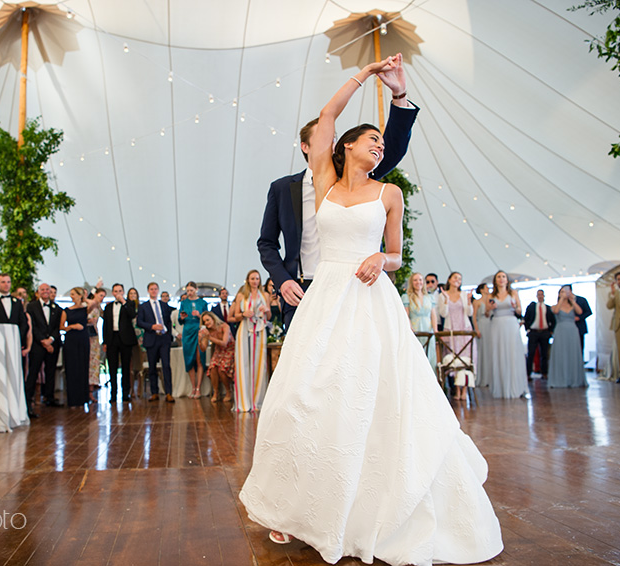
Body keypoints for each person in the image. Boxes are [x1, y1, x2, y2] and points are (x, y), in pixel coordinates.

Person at [239, 58, 502, 565]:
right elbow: (326, 114)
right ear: (342, 147)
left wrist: (382, 257)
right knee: (304, 395)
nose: (379, 146)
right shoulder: (321, 178)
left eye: (382, 144)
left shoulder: (388, 190)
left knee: (370, 397)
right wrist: (363, 73)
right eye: (371, 140)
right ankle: (294, 509)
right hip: (321, 298)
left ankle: (367, 509)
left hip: (369, 299)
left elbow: (399, 253)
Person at [257, 54, 419, 332]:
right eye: (325, 139)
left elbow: (394, 145)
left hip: (362, 288)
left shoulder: (380, 188)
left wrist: (400, 94)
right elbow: (327, 115)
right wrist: (366, 70)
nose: (330, 142)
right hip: (309, 286)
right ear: (310, 147)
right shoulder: (314, 185)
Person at [231, 269, 270, 412]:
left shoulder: (265, 295)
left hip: (260, 329)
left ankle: (257, 400)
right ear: (248, 280)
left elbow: (269, 316)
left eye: (257, 278)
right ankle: (243, 401)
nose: (255, 281)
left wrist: (266, 310)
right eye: (252, 278)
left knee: (260, 363)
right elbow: (235, 316)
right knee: (243, 363)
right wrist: (243, 313)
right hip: (244, 329)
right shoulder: (242, 295)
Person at [485, 270, 528, 399]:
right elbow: (487, 314)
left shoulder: (513, 293)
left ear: (507, 280)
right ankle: (501, 387)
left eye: (503, 276)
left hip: (511, 324)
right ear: (495, 280)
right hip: (497, 325)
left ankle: (516, 386)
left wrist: (515, 307)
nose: (501, 279)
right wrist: (490, 309)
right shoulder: (491, 295)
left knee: (513, 353)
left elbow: (520, 311)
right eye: (499, 277)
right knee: (498, 354)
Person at [25, 283, 64, 416]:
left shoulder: (56, 308)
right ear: (38, 292)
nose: (46, 292)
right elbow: (32, 326)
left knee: (51, 370)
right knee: (34, 371)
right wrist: (43, 341)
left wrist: (51, 340)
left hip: (52, 344)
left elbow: (57, 327)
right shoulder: (31, 306)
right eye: (43, 290)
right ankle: (28, 400)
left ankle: (50, 397)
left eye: (48, 290)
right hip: (37, 344)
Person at [436, 271, 475, 401]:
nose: (457, 280)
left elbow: (469, 313)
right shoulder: (443, 295)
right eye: (455, 277)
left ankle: (464, 391)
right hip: (451, 329)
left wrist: (469, 301)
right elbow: (443, 313)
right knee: (453, 359)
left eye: (460, 278)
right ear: (450, 279)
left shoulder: (464, 294)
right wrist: (446, 300)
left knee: (465, 359)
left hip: (464, 328)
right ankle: (457, 390)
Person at [0, 273, 30, 373]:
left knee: (14, 369)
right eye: (3, 282)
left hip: (14, 342)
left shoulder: (17, 302)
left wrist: (18, 339)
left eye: (8, 282)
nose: (6, 284)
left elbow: (23, 323)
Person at [136, 282, 175, 403]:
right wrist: (151, 326)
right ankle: (154, 392)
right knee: (152, 367)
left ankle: (169, 392)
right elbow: (139, 322)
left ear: (158, 290)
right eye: (151, 289)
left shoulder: (164, 305)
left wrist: (168, 333)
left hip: (164, 338)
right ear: (148, 291)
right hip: (151, 338)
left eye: (155, 289)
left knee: (166, 366)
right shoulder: (143, 306)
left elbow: (169, 320)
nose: (154, 291)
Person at [102, 283, 137, 402]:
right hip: (112, 339)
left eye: (120, 291)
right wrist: (105, 342)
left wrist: (124, 302)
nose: (118, 293)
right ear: (112, 293)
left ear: (123, 292)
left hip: (125, 339)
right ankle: (113, 394)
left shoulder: (129, 304)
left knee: (126, 367)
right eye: (116, 291)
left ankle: (125, 393)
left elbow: (132, 315)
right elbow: (105, 325)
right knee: (112, 367)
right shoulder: (108, 307)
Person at [548, 286, 587, 388]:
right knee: (561, 354)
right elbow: (556, 311)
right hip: (561, 331)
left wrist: (572, 300)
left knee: (573, 353)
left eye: (566, 292)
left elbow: (580, 312)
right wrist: (561, 298)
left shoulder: (572, 306)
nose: (564, 293)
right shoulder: (554, 306)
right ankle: (561, 378)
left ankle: (574, 379)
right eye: (562, 292)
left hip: (572, 331)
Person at [60, 287, 90, 407]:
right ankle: (72, 399)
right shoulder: (66, 311)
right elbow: (61, 327)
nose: (71, 296)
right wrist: (73, 326)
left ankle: (83, 398)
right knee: (72, 368)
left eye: (73, 294)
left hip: (83, 339)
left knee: (83, 366)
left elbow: (94, 303)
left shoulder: (85, 309)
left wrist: (84, 299)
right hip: (71, 339)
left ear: (79, 295)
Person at [402, 272, 437, 370]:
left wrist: (435, 330)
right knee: (417, 355)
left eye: (420, 280)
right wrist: (410, 328)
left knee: (430, 355)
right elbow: (406, 315)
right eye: (415, 280)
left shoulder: (429, 297)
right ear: (412, 282)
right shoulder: (407, 297)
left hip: (428, 328)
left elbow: (433, 315)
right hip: (415, 327)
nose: (418, 282)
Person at [179, 282, 207, 398]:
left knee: (199, 359)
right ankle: (193, 387)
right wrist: (181, 317)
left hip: (199, 331)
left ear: (196, 290)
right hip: (188, 331)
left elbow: (207, 318)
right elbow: (179, 321)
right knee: (189, 359)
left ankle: (199, 388)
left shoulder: (203, 303)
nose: (189, 292)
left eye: (191, 290)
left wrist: (200, 315)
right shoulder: (183, 303)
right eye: (188, 290)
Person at [199, 311, 235, 403]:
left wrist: (209, 337)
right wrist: (200, 340)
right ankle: (216, 392)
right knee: (213, 368)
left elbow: (224, 343)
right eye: (204, 322)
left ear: (213, 319)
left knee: (221, 369)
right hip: (218, 351)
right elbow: (203, 348)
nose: (206, 323)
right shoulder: (208, 332)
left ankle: (228, 391)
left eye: (207, 320)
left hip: (230, 350)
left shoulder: (224, 326)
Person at [523, 289, 554, 380]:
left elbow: (553, 320)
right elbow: (526, 318)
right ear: (537, 296)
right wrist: (527, 329)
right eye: (539, 295)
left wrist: (550, 331)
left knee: (544, 354)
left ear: (544, 296)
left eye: (542, 295)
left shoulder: (548, 308)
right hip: (533, 332)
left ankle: (544, 373)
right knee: (531, 353)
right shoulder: (532, 307)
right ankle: (528, 373)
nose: (540, 296)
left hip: (544, 332)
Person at [86, 287, 107, 402]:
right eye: (100, 295)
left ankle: (91, 390)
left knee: (94, 364)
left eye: (103, 296)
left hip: (95, 337)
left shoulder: (99, 307)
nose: (102, 298)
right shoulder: (90, 304)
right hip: (87, 336)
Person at [126, 287, 145, 397]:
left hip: (141, 337)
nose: (133, 295)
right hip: (130, 336)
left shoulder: (141, 307)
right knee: (131, 366)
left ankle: (140, 389)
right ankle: (131, 389)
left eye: (134, 293)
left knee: (141, 365)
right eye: (131, 293)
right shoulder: (126, 307)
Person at [472, 283, 491, 387]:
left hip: (490, 325)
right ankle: (482, 377)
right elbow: (474, 316)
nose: (488, 289)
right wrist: (476, 329)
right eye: (486, 287)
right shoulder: (477, 301)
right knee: (482, 351)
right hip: (482, 325)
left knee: (490, 350)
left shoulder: (490, 300)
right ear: (482, 290)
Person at [566, 284, 592, 357]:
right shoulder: (565, 302)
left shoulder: (581, 300)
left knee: (580, 347)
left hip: (579, 327)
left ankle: (580, 363)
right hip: (568, 328)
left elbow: (588, 312)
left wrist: (579, 318)